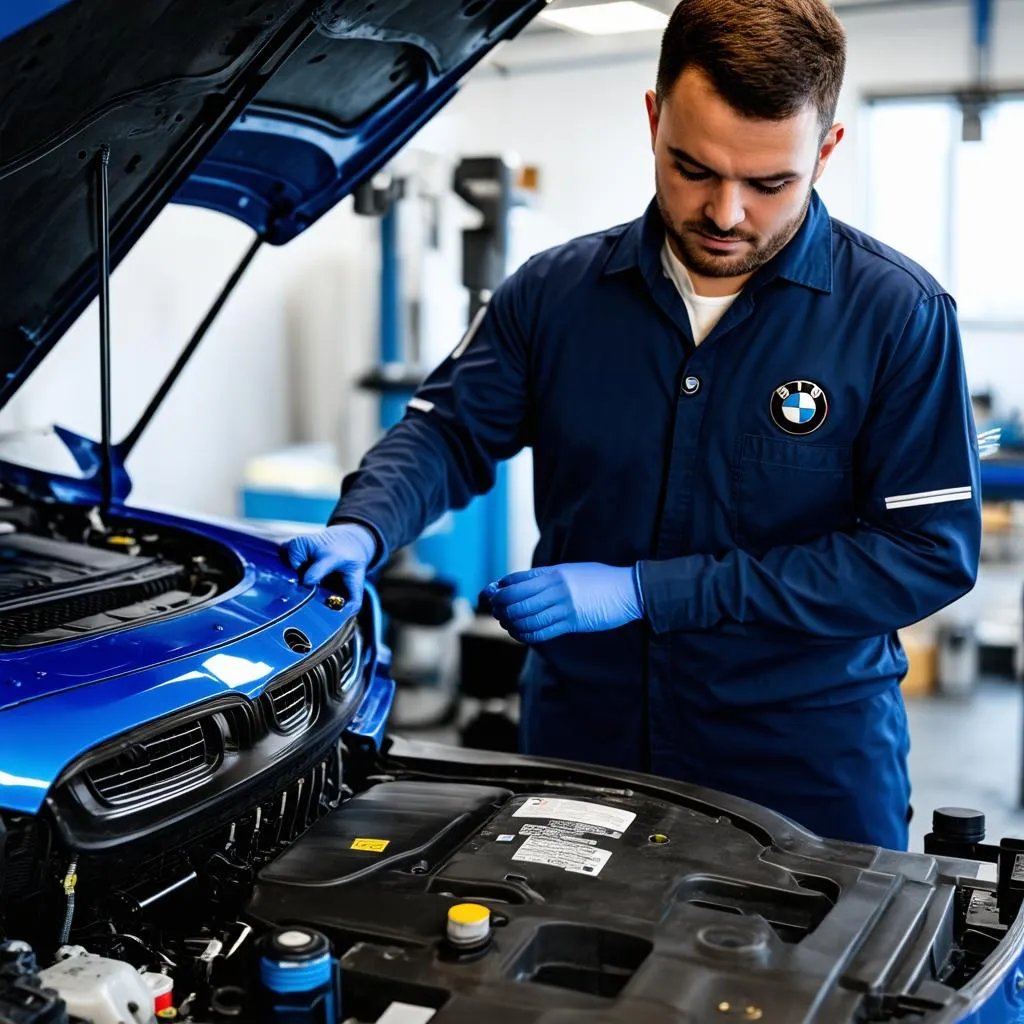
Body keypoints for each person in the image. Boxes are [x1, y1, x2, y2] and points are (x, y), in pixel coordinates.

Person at [283, 0, 981, 851]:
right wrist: (365, 527)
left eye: (769, 184)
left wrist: (649, 591)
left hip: (802, 759)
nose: (726, 214)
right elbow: (449, 431)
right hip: (585, 743)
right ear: (653, 120)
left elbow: (923, 556)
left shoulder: (897, 317)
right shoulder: (554, 295)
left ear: (825, 152)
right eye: (693, 168)